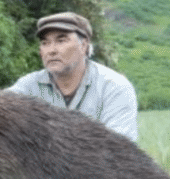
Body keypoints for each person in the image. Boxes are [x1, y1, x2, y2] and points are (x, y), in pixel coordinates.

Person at [8, 11, 138, 141]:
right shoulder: (27, 87)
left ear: (83, 46)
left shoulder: (114, 88)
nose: (51, 50)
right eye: (45, 43)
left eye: (61, 40)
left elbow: (120, 151)